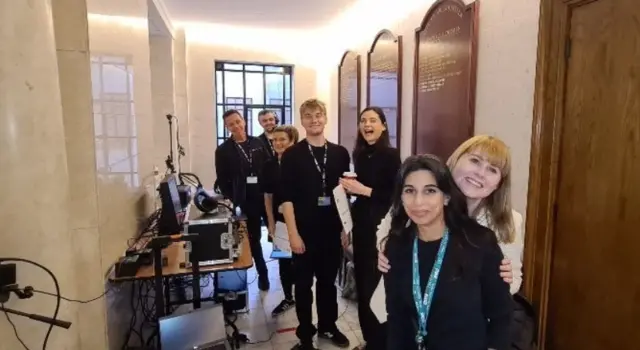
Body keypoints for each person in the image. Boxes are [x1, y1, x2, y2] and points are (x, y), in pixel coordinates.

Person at [383, 155, 513, 350]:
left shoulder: (479, 242)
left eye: (430, 191)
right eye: (409, 191)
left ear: (446, 197)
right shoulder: (397, 245)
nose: (418, 202)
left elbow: (501, 315)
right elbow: (396, 317)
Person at [378, 135, 523, 294]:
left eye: (492, 170)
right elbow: (385, 230)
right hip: (403, 305)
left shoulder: (509, 220)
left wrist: (501, 282)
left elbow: (513, 278)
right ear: (455, 159)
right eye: (475, 161)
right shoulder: (419, 193)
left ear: (498, 184)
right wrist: (383, 249)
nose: (481, 173)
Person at [280, 99, 351, 350]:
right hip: (304, 233)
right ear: (302, 120)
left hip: (331, 232)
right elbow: (286, 199)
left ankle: (328, 326)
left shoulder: (341, 153)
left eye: (318, 115)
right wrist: (293, 234)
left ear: (325, 117)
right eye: (308, 116)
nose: (314, 120)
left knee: (327, 284)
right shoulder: (291, 155)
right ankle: (305, 334)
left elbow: (344, 195)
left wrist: (346, 228)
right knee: (302, 286)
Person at [338, 107, 400, 350]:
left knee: (377, 288)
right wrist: (346, 228)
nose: (367, 124)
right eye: (363, 120)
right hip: (362, 228)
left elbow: (396, 196)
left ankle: (381, 342)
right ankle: (369, 340)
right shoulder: (360, 155)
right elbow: (358, 199)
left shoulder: (392, 155)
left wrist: (362, 190)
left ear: (384, 125)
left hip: (382, 230)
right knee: (363, 287)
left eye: (373, 120)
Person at [215, 109, 270, 291]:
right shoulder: (223, 150)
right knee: (254, 238)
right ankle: (263, 275)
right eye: (231, 124)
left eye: (238, 122)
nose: (236, 126)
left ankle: (288, 276)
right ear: (227, 127)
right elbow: (222, 180)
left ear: (244, 121)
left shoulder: (258, 143)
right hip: (246, 201)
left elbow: (269, 166)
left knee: (277, 234)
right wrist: (234, 199)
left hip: (266, 196)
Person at [261, 125, 299, 317]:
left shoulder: (302, 162)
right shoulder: (269, 165)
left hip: (301, 221)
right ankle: (288, 297)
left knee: (300, 261)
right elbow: (267, 196)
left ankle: (302, 295)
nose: (277, 143)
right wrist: (270, 222)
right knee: (284, 261)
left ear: (293, 140)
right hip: (280, 221)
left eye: (282, 139)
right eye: (274, 140)